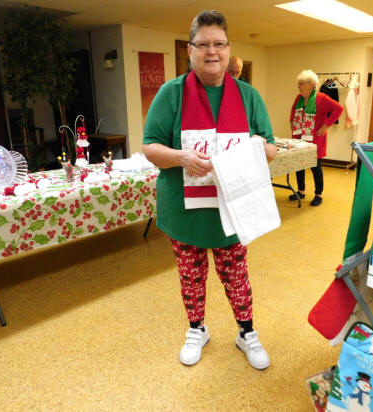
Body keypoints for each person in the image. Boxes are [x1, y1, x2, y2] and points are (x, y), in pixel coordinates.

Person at [142, 10, 277, 370]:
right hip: (184, 210)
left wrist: (257, 148)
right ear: (190, 50)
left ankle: (246, 331)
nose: (212, 51)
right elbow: (150, 147)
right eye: (203, 44)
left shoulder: (248, 97)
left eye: (219, 44)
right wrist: (182, 157)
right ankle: (197, 329)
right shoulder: (171, 94)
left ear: (229, 49)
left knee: (236, 275)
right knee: (191, 275)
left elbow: (271, 149)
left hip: (232, 207)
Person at [289, 70, 342, 206]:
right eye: (299, 83)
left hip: (315, 140)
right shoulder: (299, 98)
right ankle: (301, 191)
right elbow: (293, 110)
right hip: (299, 138)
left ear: (311, 85)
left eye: (302, 84)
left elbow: (338, 109)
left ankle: (318, 194)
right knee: (299, 165)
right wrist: (292, 122)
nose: (299, 86)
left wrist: (326, 125)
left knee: (315, 167)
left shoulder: (322, 98)